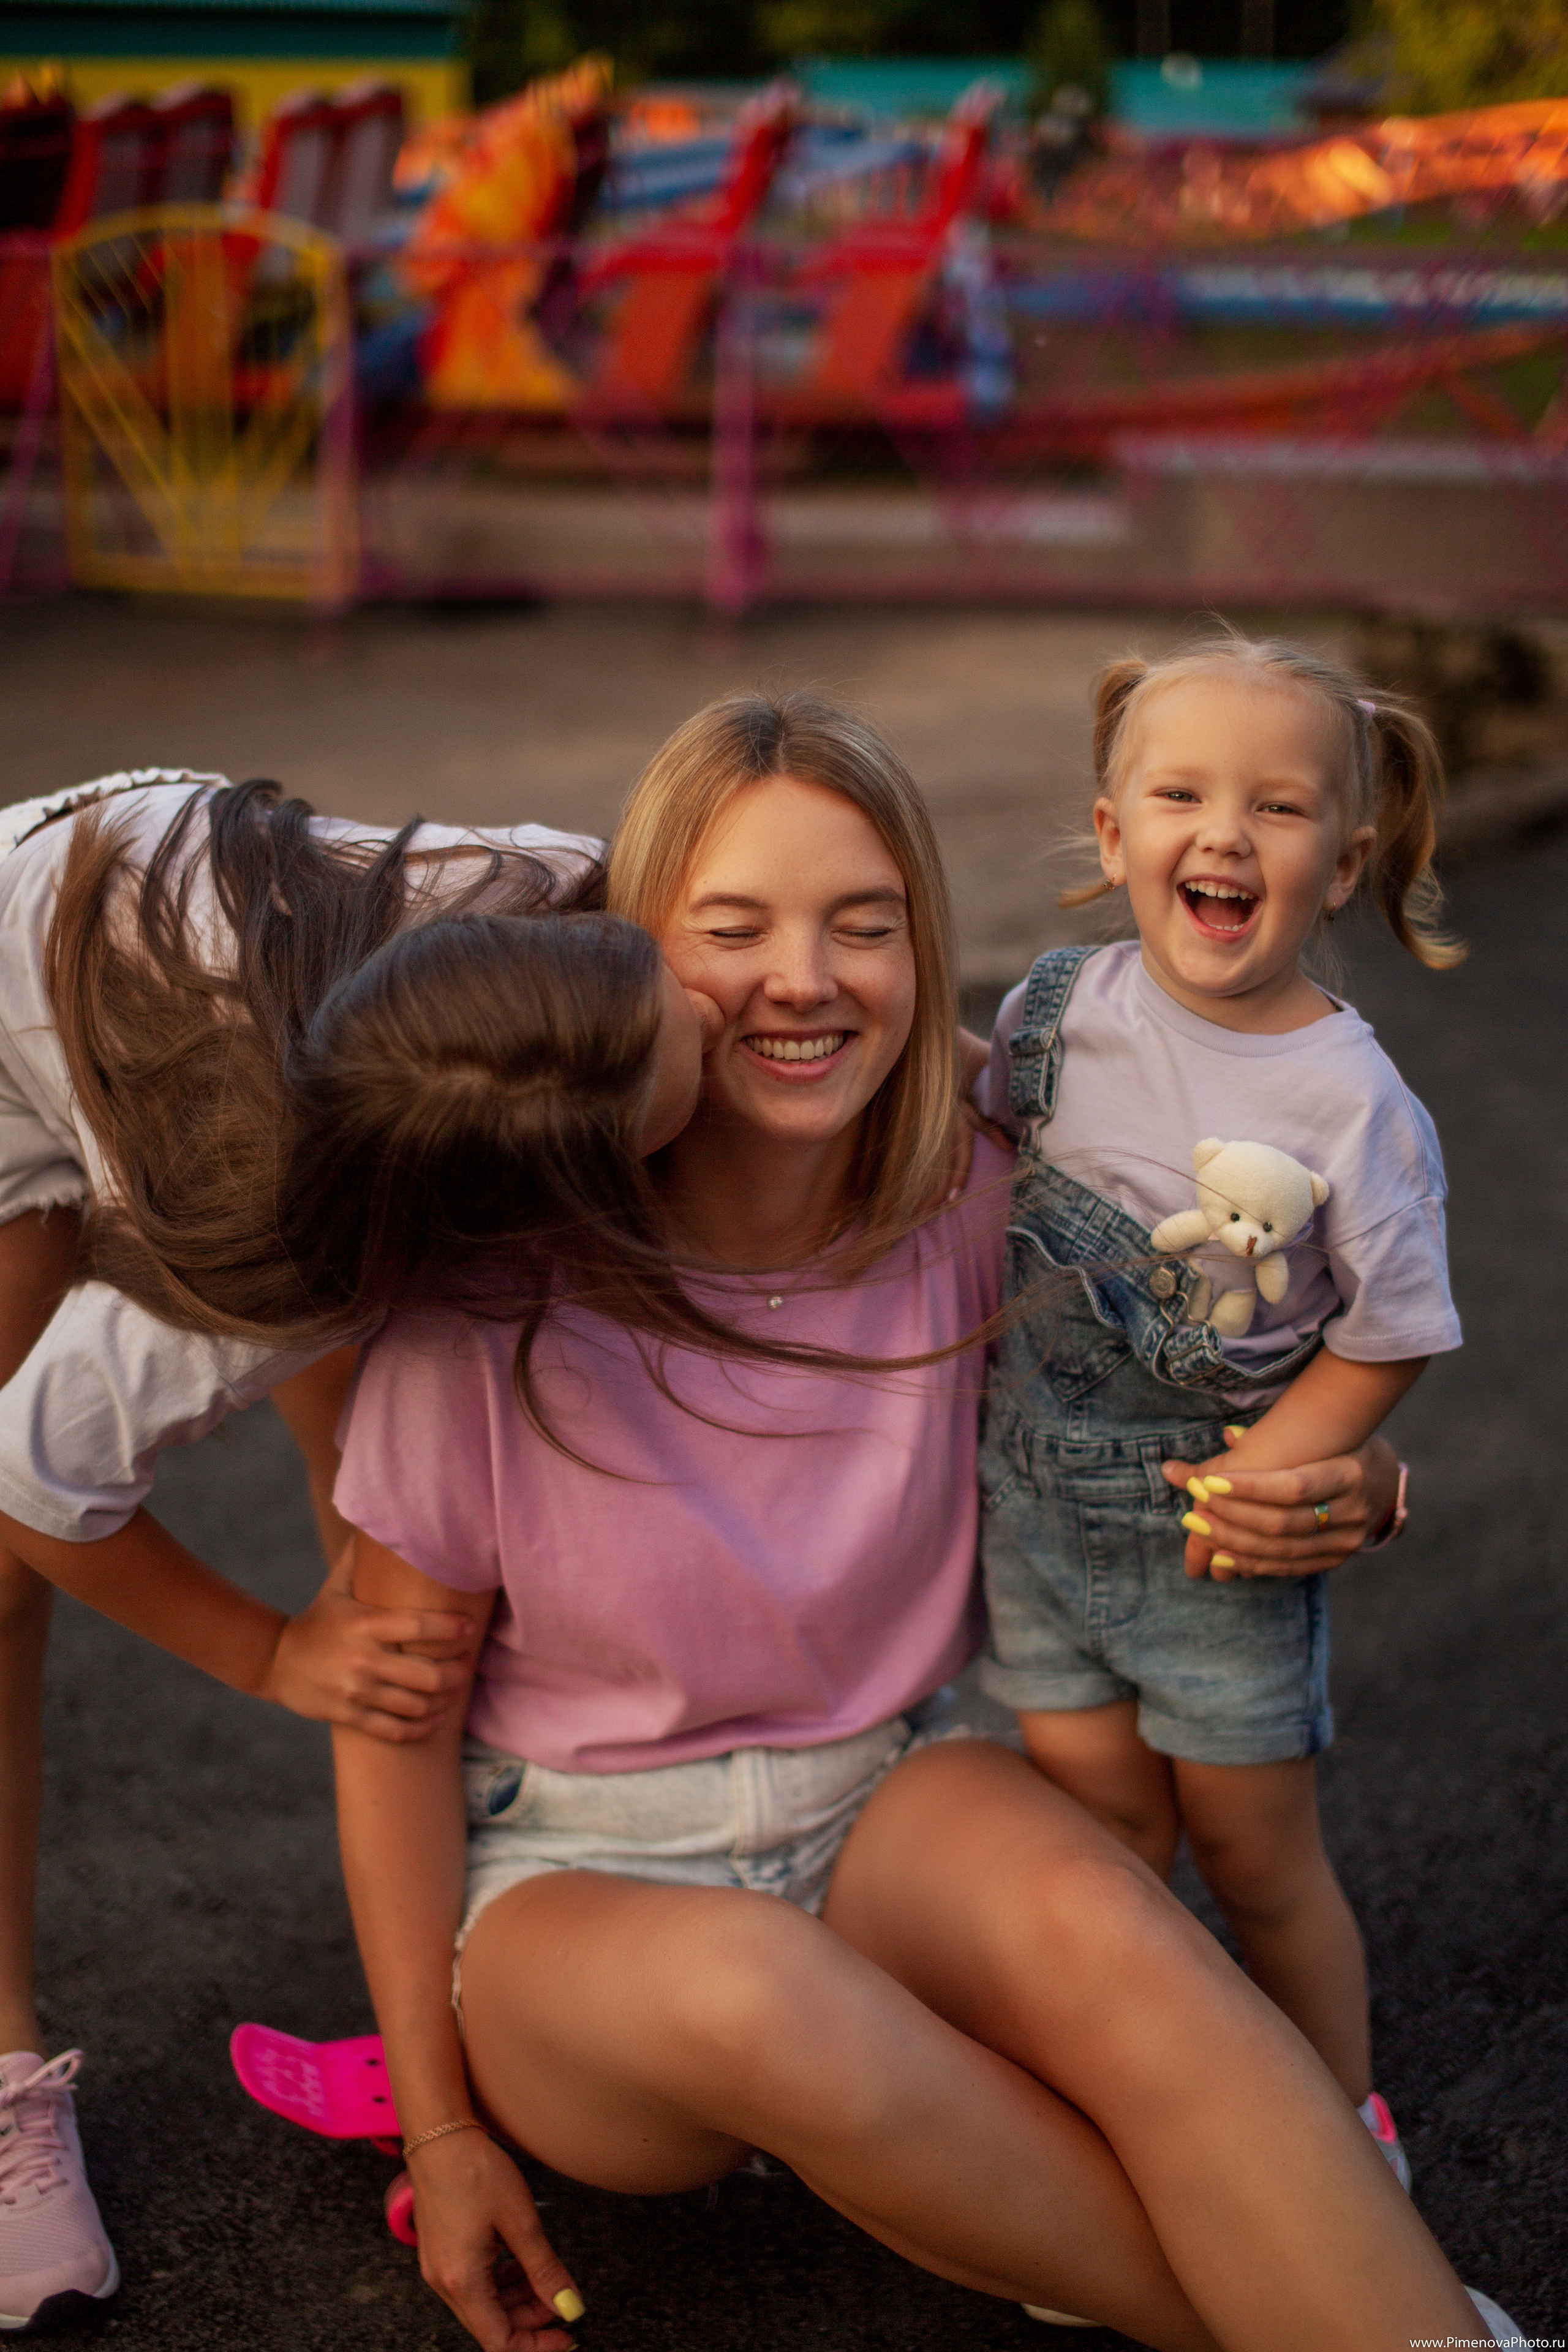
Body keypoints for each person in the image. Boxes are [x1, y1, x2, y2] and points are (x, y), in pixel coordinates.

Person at [324, 691, 1513, 2351]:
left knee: (1111, 1925)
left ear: (923, 947)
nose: (804, 978)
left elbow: (1208, 1393)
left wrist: (1370, 1492)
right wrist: (442, 2133)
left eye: (862, 926)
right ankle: (1329, 2300)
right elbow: (388, 1726)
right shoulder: (489, 1298)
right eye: (731, 929)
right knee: (772, 1999)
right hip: (577, 1893)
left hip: (882, 1794)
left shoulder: (981, 1195)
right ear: (634, 961)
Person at [0, 767, 639, 2332]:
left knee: (386, 1461)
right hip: (26, 977)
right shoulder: (293, 1258)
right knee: (3, 1569)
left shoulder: (577, 900)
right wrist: (274, 1652)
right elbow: (31, 1473)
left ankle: (473, 1919)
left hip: (219, 925)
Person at [976, 633, 1463, 2193]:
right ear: (1116, 836)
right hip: (1035, 1524)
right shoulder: (1054, 1015)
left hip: (1220, 1540)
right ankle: (1133, 2103)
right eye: (1179, 794)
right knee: (1103, 1848)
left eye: (1278, 807)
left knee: (1257, 1861)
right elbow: (970, 1190)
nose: (1225, 833)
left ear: (1341, 863)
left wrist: (1275, 1469)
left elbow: (1390, 1336)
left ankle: (1334, 2129)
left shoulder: (1351, 1102)